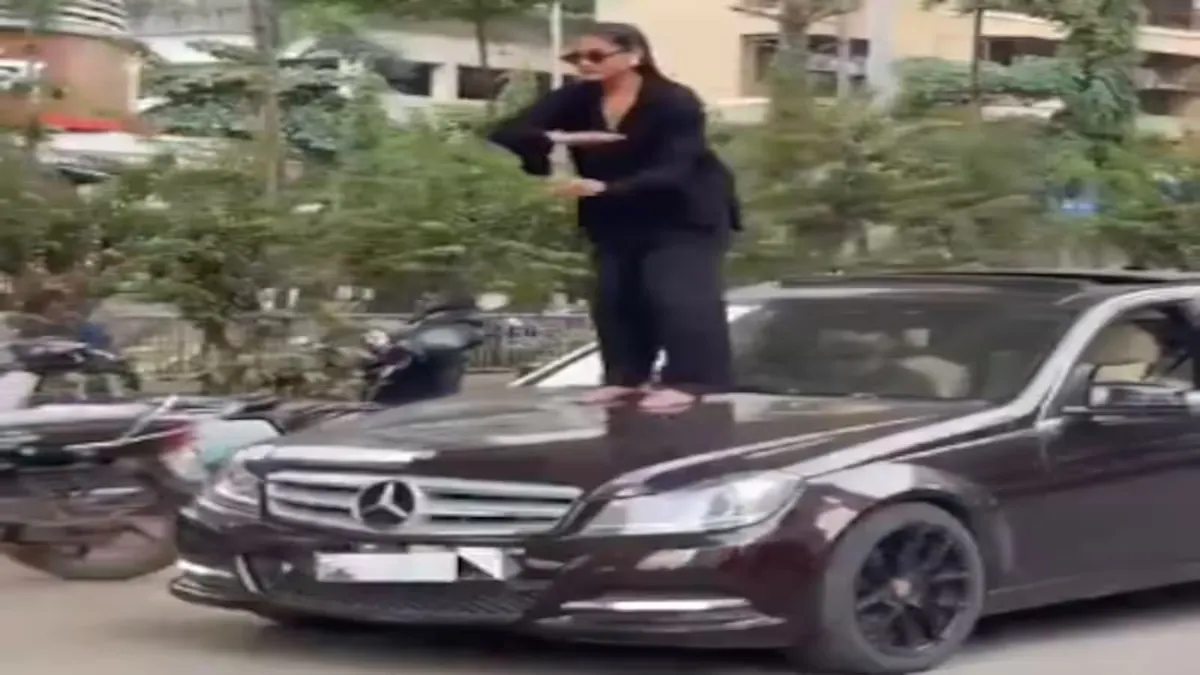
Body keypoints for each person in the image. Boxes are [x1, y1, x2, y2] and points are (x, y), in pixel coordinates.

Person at [488, 22, 739, 411]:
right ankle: (625, 377)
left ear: (634, 55)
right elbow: (507, 132)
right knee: (615, 296)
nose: (584, 64)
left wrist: (607, 187)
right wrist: (561, 140)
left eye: (595, 56)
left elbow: (677, 166)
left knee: (677, 294)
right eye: (576, 58)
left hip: (683, 211)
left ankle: (694, 379)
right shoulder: (577, 98)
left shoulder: (673, 100)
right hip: (614, 216)